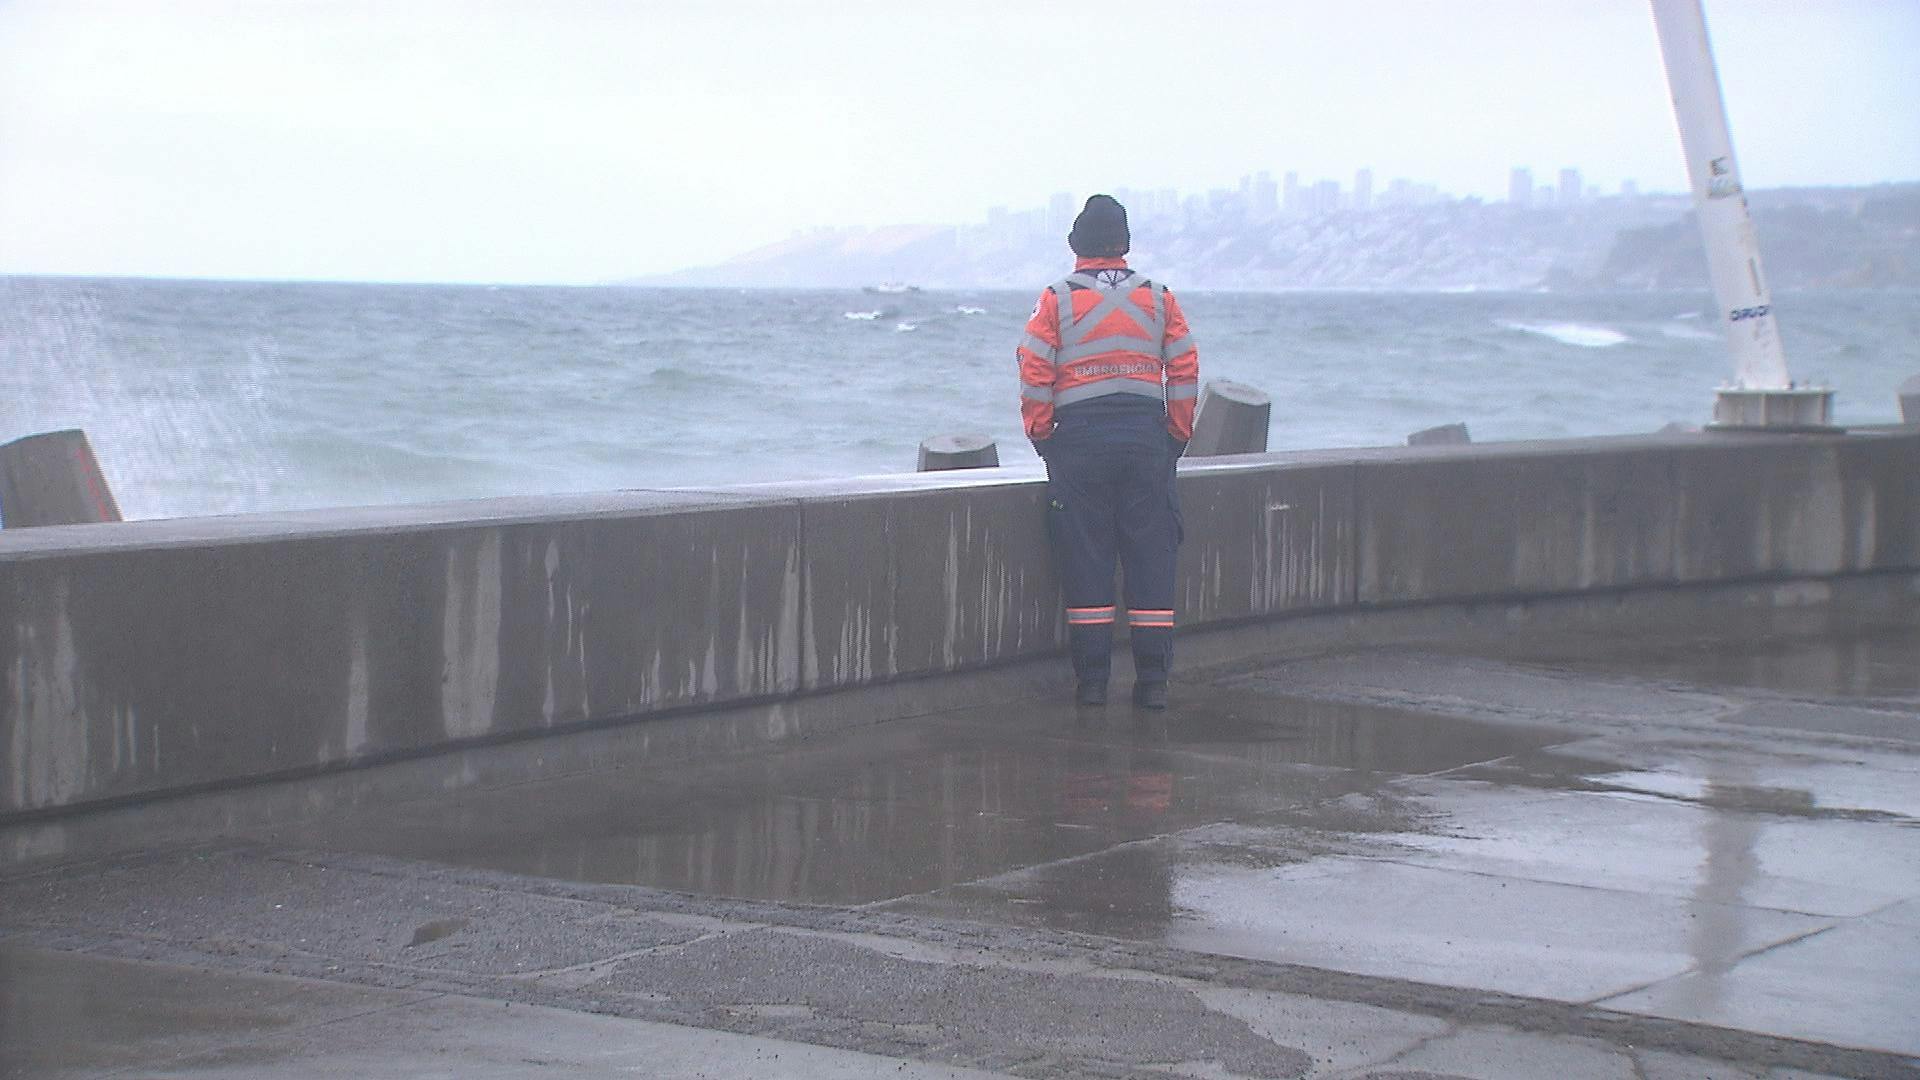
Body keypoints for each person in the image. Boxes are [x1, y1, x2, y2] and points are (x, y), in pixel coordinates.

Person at [1017, 194, 1199, 709]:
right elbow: (1184, 368)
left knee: (1086, 558)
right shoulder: (1160, 298)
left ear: (1077, 245)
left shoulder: (1056, 300)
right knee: (1151, 558)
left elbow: (1034, 370)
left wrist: (1043, 436)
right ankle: (1154, 684)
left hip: (1079, 444)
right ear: (1125, 245)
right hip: (1145, 441)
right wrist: (1175, 436)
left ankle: (1093, 683)